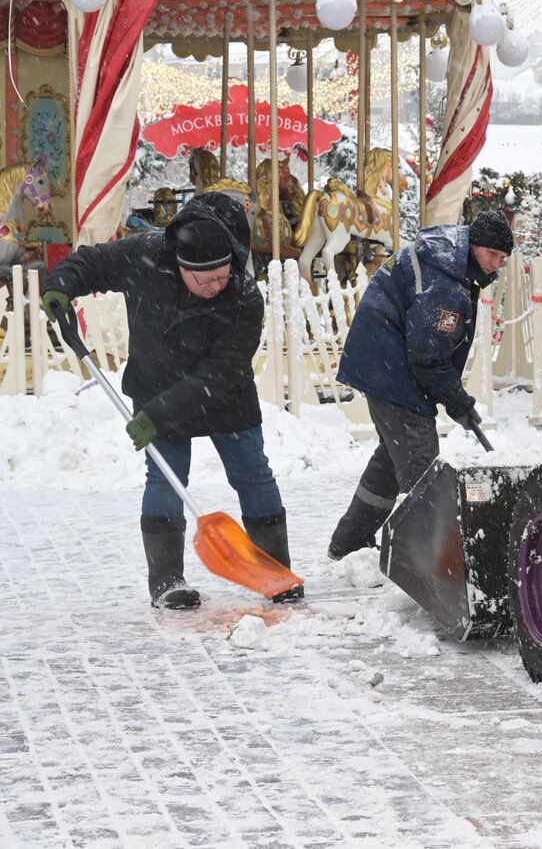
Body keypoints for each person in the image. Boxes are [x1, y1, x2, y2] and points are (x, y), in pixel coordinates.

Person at [41, 194, 296, 609]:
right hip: (158, 383)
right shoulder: (147, 256)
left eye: (223, 275)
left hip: (223, 395)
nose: (218, 285)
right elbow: (92, 263)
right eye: (206, 279)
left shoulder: (244, 296)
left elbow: (220, 372)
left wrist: (155, 415)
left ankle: (276, 572)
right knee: (165, 479)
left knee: (253, 474)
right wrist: (60, 286)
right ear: (182, 268)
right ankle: (166, 581)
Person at [328, 211, 512, 560]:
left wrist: (454, 398)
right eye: (493, 255)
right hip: (389, 367)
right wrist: (456, 399)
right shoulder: (444, 283)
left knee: (393, 456)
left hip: (385, 361)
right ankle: (431, 563)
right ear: (473, 246)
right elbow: (427, 354)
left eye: (502, 259)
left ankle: (349, 541)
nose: (496, 265)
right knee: (422, 465)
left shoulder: (449, 263)